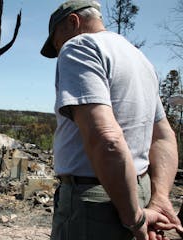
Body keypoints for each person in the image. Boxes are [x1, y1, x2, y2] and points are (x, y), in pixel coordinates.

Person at [40, 0, 183, 239]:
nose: (59, 51)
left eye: (57, 42)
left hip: (95, 203)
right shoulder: (141, 60)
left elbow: (106, 139)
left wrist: (133, 218)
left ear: (73, 22)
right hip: (141, 192)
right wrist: (159, 198)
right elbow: (163, 137)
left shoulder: (79, 46)